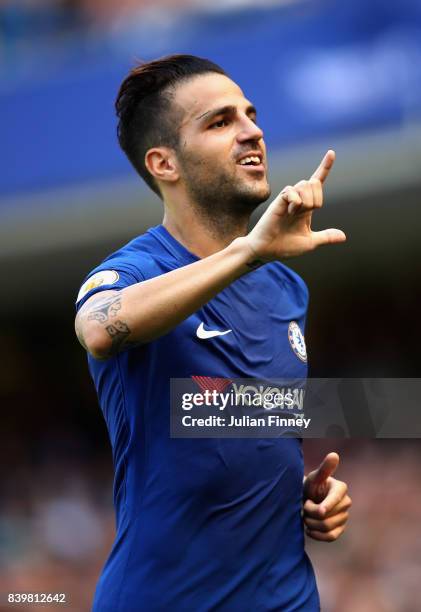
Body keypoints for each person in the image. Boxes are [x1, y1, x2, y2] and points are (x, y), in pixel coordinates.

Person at [75, 54, 352, 611]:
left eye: (250, 114)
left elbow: (240, 424)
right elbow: (99, 329)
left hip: (286, 597)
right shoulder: (137, 270)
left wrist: (292, 499)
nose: (252, 131)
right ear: (164, 163)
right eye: (220, 122)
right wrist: (248, 252)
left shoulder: (287, 289)